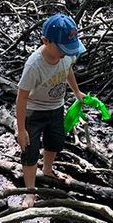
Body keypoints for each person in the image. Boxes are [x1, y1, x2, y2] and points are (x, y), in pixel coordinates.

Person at [16, 14, 86, 209]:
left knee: (54, 142)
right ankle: (30, 192)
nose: (66, 53)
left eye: (69, 48)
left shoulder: (66, 54)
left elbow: (68, 70)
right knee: (30, 151)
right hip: (34, 111)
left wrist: (77, 92)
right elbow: (21, 98)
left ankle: (47, 170)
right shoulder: (34, 65)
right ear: (45, 41)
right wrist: (21, 129)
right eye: (62, 49)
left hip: (56, 107)